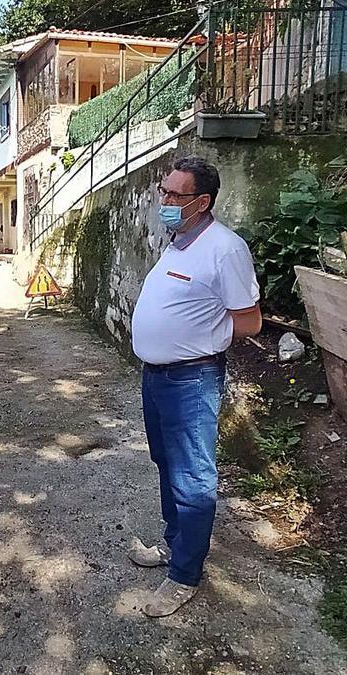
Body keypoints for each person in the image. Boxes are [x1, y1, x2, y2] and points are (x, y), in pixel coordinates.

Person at [127, 157, 262, 618]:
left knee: (193, 479)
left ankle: (185, 575)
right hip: (156, 376)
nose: (164, 200)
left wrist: (201, 338)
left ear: (202, 202)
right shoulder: (179, 241)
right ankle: (175, 548)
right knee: (166, 464)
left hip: (192, 379)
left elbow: (249, 321)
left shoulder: (225, 249)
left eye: (174, 195)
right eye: (163, 191)